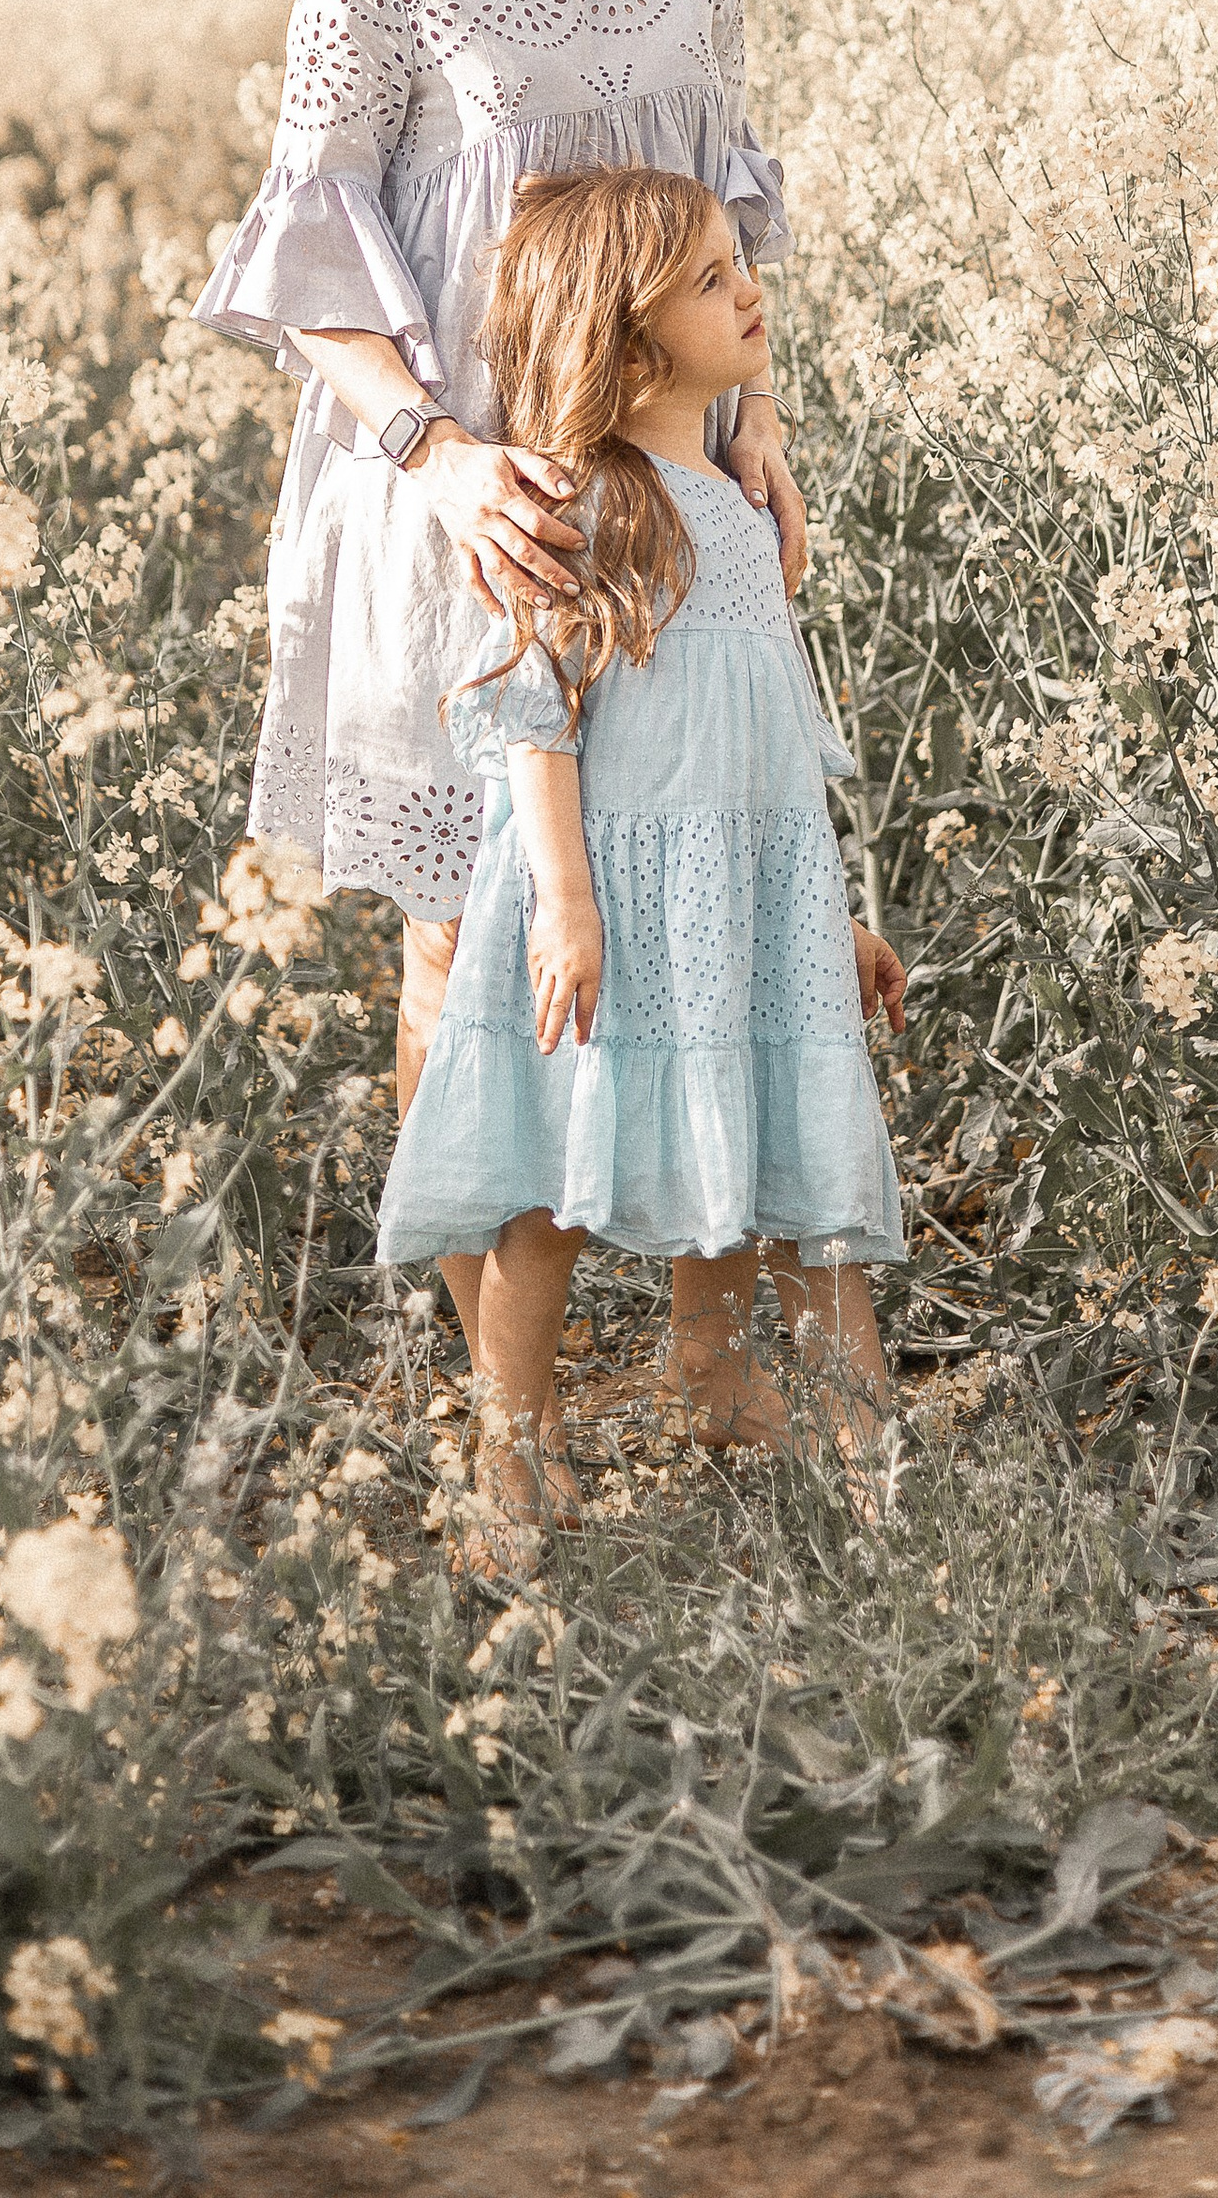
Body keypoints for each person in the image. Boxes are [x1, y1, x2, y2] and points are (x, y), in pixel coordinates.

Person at [197, 0, 810, 1374]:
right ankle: (505, 1411)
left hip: (666, 507)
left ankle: (699, 1353)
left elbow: (727, 218)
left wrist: (758, 425)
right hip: (460, 505)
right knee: (466, 953)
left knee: (685, 896)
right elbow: (303, 264)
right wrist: (440, 455)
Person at [376, 165, 906, 1558]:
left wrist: (834, 911)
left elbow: (779, 740)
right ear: (624, 337)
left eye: (742, 264)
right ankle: (514, 1445)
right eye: (714, 279)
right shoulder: (583, 504)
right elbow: (529, 717)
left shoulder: (737, 504)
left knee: (770, 1163)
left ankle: (835, 1462)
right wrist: (563, 903)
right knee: (546, 1195)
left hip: (745, 890)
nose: (753, 290)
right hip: (601, 901)